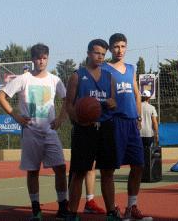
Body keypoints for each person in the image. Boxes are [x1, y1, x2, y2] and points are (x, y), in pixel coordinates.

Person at [0, 43, 69, 220]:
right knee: (33, 171)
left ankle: (63, 208)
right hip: (30, 132)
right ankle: (36, 210)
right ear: (33, 59)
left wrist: (60, 119)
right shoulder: (23, 79)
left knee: (60, 168)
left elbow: (67, 99)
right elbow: (0, 95)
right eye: (38, 58)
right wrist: (15, 115)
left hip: (50, 132)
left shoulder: (54, 79)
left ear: (48, 58)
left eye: (44, 58)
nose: (41, 61)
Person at [64, 39, 121, 221]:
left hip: (105, 127)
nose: (100, 57)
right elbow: (69, 104)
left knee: (107, 172)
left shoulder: (109, 77)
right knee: (79, 172)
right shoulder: (77, 76)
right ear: (88, 53)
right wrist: (78, 120)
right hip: (84, 129)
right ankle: (72, 212)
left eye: (103, 54)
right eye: (97, 53)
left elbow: (113, 102)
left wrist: (113, 104)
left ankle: (111, 211)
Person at [101, 33, 152, 221]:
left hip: (132, 122)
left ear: (126, 47)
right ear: (110, 48)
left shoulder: (131, 68)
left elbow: (137, 94)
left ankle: (131, 207)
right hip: (113, 122)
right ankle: (111, 211)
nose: (119, 50)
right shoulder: (104, 69)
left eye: (122, 46)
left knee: (138, 165)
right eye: (116, 47)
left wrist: (138, 116)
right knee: (108, 169)